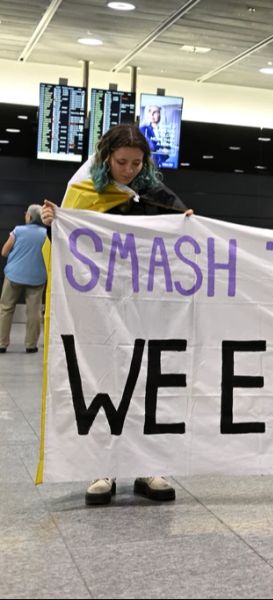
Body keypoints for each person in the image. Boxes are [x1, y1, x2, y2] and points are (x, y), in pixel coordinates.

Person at [41, 123, 192, 506]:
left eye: (137, 163)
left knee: (146, 380)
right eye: (122, 162)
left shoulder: (154, 190)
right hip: (99, 304)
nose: (129, 171)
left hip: (144, 305)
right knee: (102, 381)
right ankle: (101, 467)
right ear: (106, 158)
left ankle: (148, 465)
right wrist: (52, 227)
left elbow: (181, 234)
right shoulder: (83, 191)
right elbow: (67, 249)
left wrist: (189, 221)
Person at [0, 205, 48, 354]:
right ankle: (31, 345)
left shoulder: (18, 231)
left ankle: (2, 343)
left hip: (14, 274)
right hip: (37, 277)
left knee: (6, 309)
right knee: (34, 311)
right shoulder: (46, 234)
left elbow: (4, 251)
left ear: (29, 216)